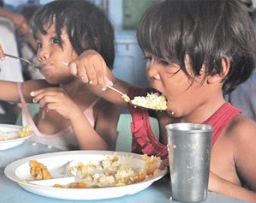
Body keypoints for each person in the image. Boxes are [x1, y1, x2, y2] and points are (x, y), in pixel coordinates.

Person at [68, 0, 256, 201]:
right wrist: (89, 58)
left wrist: (215, 184)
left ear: (217, 69)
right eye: (148, 59)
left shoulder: (240, 134)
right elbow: (107, 85)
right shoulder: (159, 108)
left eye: (165, 62)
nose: (151, 71)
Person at [0, 0, 120, 151]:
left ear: (89, 46)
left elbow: (106, 157)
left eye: (55, 41)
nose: (41, 53)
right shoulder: (40, 88)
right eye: (40, 44)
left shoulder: (106, 101)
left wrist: (74, 114)